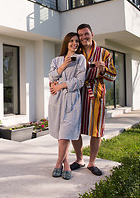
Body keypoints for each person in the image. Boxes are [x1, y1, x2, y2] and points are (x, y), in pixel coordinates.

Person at [70, 24, 117, 176]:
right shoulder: (76, 52)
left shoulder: (104, 53)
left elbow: (113, 76)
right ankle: (79, 159)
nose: (83, 37)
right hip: (77, 94)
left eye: (86, 34)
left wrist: (103, 69)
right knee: (75, 128)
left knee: (96, 130)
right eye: (81, 35)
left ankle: (92, 163)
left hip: (95, 95)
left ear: (92, 34)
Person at [48, 32, 86, 180]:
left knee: (66, 134)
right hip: (57, 101)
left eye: (77, 41)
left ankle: (58, 163)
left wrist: (61, 85)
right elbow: (51, 77)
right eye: (71, 41)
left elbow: (79, 81)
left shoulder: (81, 59)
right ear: (66, 43)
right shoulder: (57, 60)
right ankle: (67, 165)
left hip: (72, 100)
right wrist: (64, 65)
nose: (74, 43)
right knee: (60, 135)